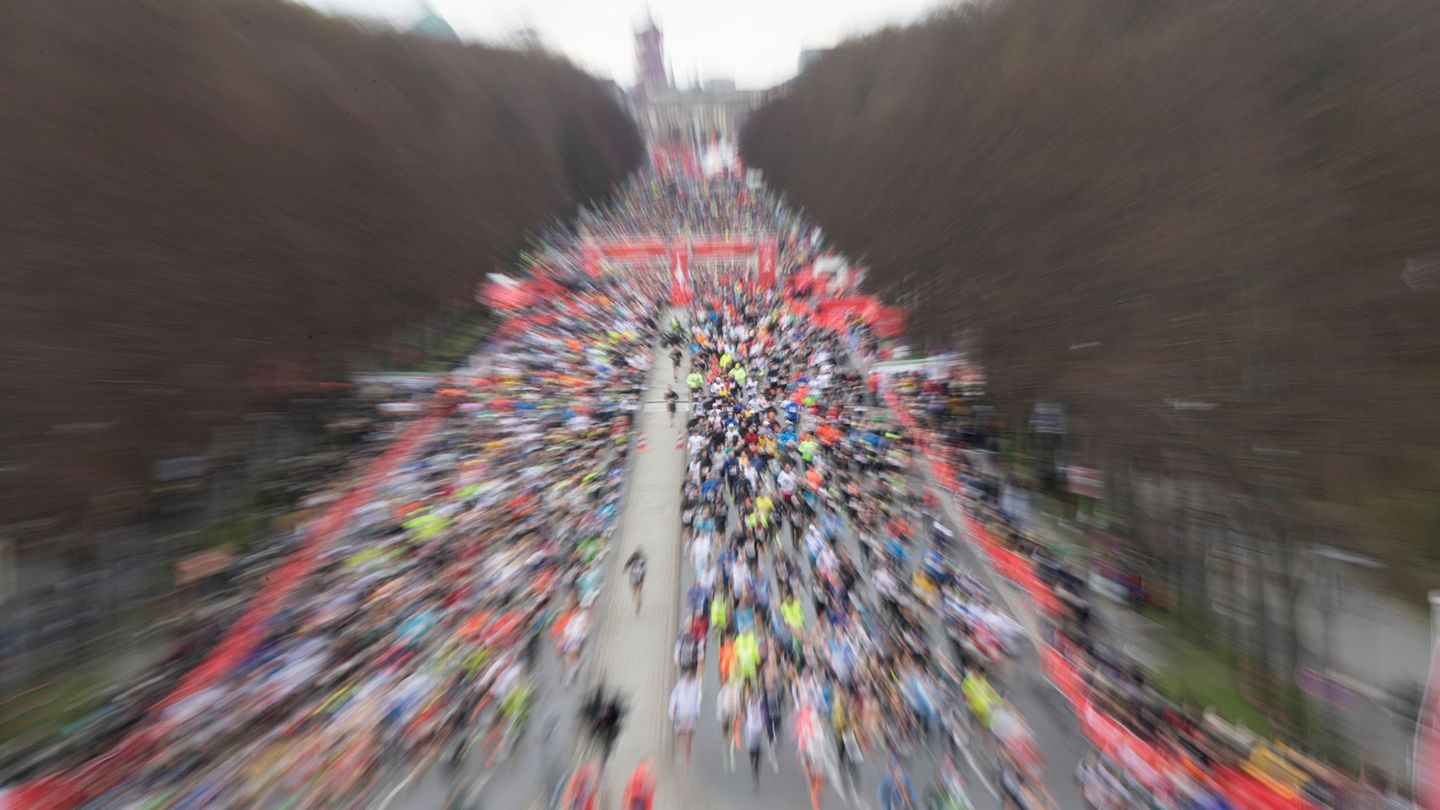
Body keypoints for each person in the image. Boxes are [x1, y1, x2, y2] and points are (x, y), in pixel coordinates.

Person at [669, 669, 702, 768]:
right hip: (680, 713)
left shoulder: (696, 685)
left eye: (691, 674)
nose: (689, 676)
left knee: (688, 738)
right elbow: (674, 697)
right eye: (687, 674)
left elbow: (698, 699)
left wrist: (697, 712)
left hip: (690, 714)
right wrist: (672, 711)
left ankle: (686, 761)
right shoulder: (680, 684)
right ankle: (676, 756)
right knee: (679, 735)